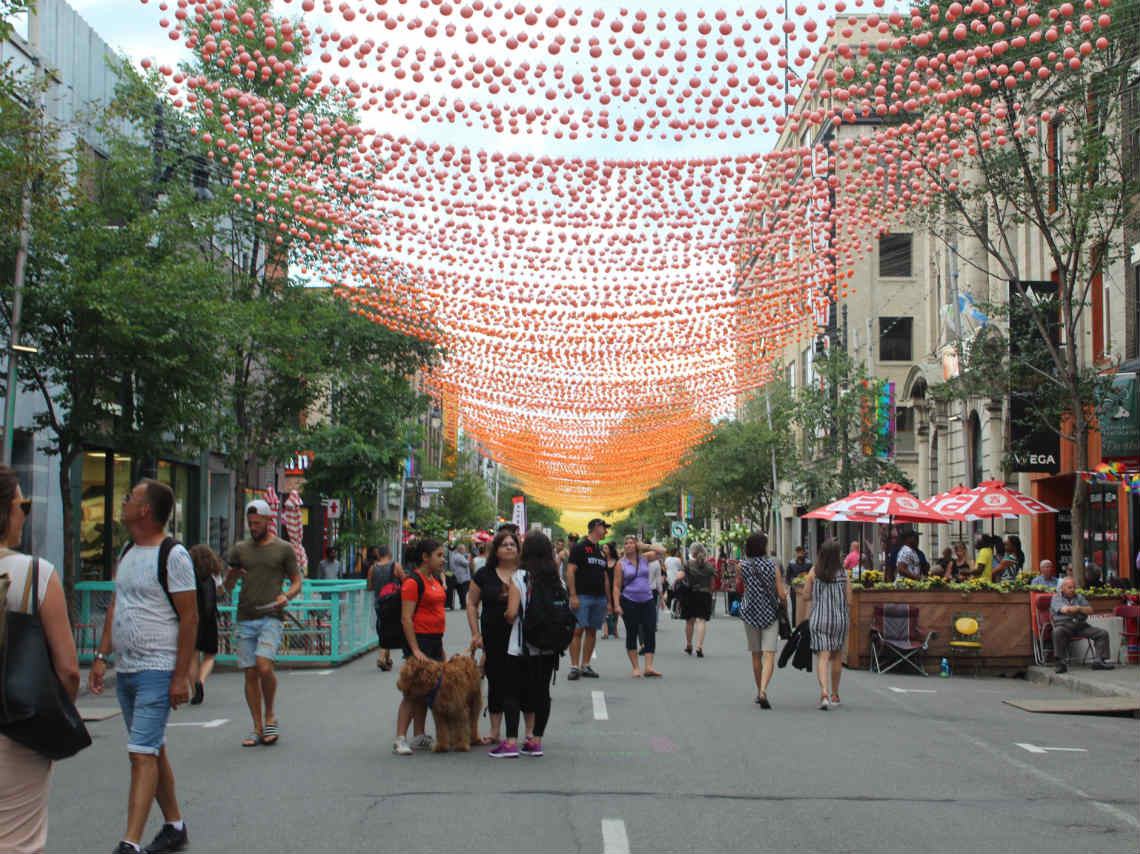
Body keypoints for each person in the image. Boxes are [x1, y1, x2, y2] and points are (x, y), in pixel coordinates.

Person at [89, 479, 197, 854]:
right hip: (128, 668)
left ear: (145, 510)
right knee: (151, 748)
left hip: (158, 667)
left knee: (140, 753)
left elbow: (189, 617)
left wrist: (181, 676)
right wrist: (102, 657)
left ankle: (129, 842)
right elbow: (117, 607)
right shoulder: (128, 550)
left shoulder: (174, 555)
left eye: (130, 498)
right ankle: (175, 826)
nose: (124, 502)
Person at [0, 466, 80, 854]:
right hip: (18, 727)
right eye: (22, 504)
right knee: (18, 841)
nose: (25, 513)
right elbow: (67, 669)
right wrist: (52, 725)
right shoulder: (35, 575)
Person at [223, 499, 302, 748]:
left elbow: (297, 580)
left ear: (269, 521)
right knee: (249, 671)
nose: (253, 527)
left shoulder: (283, 549)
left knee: (264, 666)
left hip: (272, 615)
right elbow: (227, 585)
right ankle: (256, 726)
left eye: (257, 523)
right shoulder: (240, 550)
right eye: (250, 523)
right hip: (246, 615)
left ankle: (270, 716)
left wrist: (286, 596)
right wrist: (230, 578)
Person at [496, 531, 563, 758]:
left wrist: (506, 611)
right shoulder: (555, 578)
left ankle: (511, 742)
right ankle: (535, 740)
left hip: (521, 645)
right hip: (547, 646)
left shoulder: (520, 577)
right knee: (541, 692)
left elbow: (512, 613)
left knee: (512, 691)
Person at [392, 538, 449, 755]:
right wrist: (415, 650)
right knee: (411, 692)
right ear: (425, 557)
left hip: (435, 640)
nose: (443, 560)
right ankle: (400, 738)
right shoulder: (412, 582)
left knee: (428, 691)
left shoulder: (433, 580)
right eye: (439, 555)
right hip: (420, 641)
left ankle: (419, 734)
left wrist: (440, 647)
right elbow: (406, 619)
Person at [467, 528, 521, 745]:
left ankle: (520, 732)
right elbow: (471, 603)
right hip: (493, 635)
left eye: (513, 544)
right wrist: (475, 633)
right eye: (504, 544)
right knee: (496, 682)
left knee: (518, 682)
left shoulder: (525, 573)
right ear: (496, 550)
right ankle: (495, 730)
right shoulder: (484, 574)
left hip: (521, 635)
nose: (509, 547)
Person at [738, 532, 787, 709]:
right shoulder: (772, 565)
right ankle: (764, 690)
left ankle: (759, 690)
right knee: (769, 654)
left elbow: (742, 586)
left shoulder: (742, 566)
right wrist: (785, 599)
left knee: (756, 654)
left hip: (750, 612)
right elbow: (781, 594)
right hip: (769, 613)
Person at [802, 539, 852, 710]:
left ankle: (824, 692)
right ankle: (835, 694)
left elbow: (805, 596)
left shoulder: (814, 572)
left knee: (823, 656)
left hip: (819, 619)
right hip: (839, 619)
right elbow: (850, 600)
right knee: (836, 656)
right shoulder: (843, 574)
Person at [565, 518, 611, 679]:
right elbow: (570, 571)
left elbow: (605, 577)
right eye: (604, 528)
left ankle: (585, 665)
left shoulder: (601, 551)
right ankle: (574, 667)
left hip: (599, 598)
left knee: (592, 631)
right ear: (596, 527)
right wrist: (573, 595)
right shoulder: (580, 548)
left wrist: (609, 601)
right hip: (582, 596)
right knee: (577, 630)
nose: (606, 531)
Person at [613, 535, 664, 678]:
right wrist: (617, 605)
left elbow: (662, 551)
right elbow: (616, 587)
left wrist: (646, 546)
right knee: (632, 632)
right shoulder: (621, 564)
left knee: (649, 631)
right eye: (626, 543)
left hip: (647, 600)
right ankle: (635, 667)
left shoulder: (644, 558)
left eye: (631, 543)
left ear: (636, 546)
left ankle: (648, 667)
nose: (628, 545)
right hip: (629, 601)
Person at [1050, 577, 1114, 673]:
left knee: (1102, 633)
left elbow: (1090, 610)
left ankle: (1099, 661)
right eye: (1069, 587)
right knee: (1057, 632)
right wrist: (1078, 609)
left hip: (1080, 626)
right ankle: (1060, 662)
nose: (1072, 590)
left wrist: (1079, 608)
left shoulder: (1079, 597)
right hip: (1064, 625)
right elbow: (1065, 610)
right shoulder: (1056, 598)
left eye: (1074, 587)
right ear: (1062, 588)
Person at [187, 544, 223, 705]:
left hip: (192, 617)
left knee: (192, 655)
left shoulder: (188, 574)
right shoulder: (214, 574)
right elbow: (221, 591)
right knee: (209, 655)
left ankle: (194, 691)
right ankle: (201, 680)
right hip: (209, 619)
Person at [368, 546, 402, 670]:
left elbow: (369, 586)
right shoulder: (395, 566)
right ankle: (381, 658)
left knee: (383, 627)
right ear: (389, 553)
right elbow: (405, 581)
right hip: (393, 602)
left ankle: (387, 660)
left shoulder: (373, 568)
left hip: (379, 603)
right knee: (387, 630)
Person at [682, 543, 716, 657]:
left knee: (690, 621)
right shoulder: (709, 566)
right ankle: (699, 646)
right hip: (705, 594)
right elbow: (712, 582)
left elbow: (681, 576)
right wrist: (710, 592)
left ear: (692, 552)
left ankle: (689, 644)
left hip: (690, 594)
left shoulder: (687, 564)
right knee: (701, 621)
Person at [601, 540, 620, 640]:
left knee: (615, 609)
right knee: (605, 608)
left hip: (615, 587)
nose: (604, 550)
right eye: (603, 548)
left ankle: (615, 629)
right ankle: (606, 631)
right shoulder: (601, 562)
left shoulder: (617, 562)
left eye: (606, 548)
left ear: (610, 550)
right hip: (604, 587)